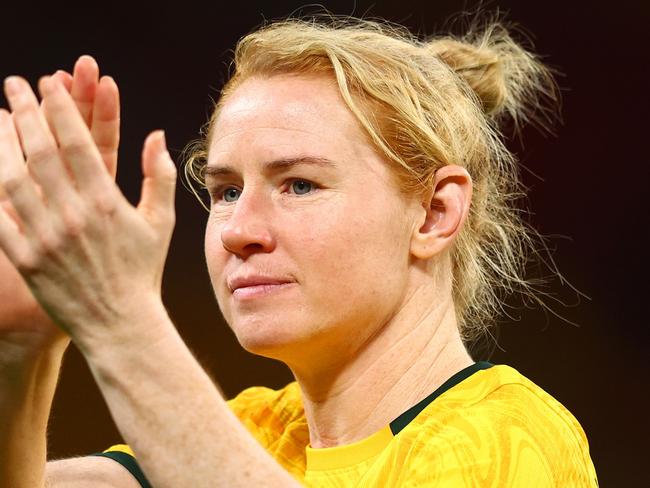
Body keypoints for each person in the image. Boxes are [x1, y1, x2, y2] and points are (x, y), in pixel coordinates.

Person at [0, 13, 599, 487]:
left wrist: (117, 319)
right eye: (227, 190)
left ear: (435, 213)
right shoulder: (257, 430)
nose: (239, 230)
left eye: (300, 184)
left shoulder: (512, 436)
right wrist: (21, 351)